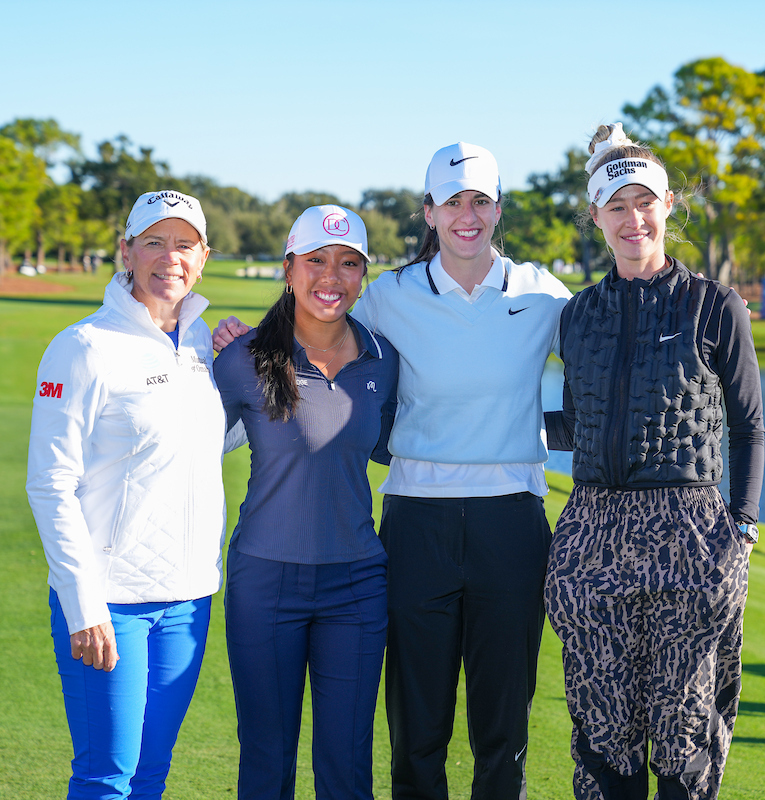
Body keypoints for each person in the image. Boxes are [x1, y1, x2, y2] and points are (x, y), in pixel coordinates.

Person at [213, 143, 573, 800]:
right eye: (453, 202)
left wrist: (532, 431)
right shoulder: (386, 297)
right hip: (415, 520)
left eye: (481, 201)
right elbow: (316, 339)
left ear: (499, 208)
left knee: (503, 731)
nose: (468, 216)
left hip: (513, 522)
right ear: (429, 210)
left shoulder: (543, 293)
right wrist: (239, 344)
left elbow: (598, 380)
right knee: (417, 729)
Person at [542, 123, 765, 800]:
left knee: (683, 727)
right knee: (602, 730)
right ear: (596, 218)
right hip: (592, 528)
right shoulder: (578, 315)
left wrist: (744, 525)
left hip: (691, 529)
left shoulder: (714, 306)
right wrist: (480, 426)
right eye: (617, 206)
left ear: (668, 207)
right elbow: (576, 426)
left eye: (645, 202)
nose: (633, 218)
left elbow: (749, 423)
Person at [26, 190, 226, 800]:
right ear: (128, 252)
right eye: (155, 243)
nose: (171, 257)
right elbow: (50, 482)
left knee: (150, 775)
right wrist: (83, 604)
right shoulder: (83, 346)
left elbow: (207, 440)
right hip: (110, 603)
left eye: (184, 245)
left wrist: (243, 360)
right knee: (106, 778)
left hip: (188, 599)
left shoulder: (201, 344)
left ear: (203, 256)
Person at [214, 205, 398, 800]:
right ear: (289, 269)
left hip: (357, 584)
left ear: (362, 276)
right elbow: (187, 452)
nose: (331, 276)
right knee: (267, 761)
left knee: (347, 764)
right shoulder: (242, 360)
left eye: (348, 264)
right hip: (264, 581)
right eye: (316, 261)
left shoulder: (383, 360)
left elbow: (392, 448)